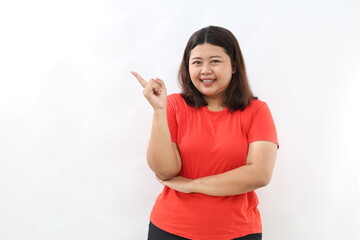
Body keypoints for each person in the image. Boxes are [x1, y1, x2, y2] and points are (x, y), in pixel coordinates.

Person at [131, 26, 278, 240]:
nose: (205, 70)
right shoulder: (173, 105)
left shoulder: (256, 111)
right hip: (170, 230)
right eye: (197, 62)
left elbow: (259, 174)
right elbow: (165, 171)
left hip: (237, 232)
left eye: (215, 61)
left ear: (234, 66)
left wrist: (192, 185)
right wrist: (159, 111)